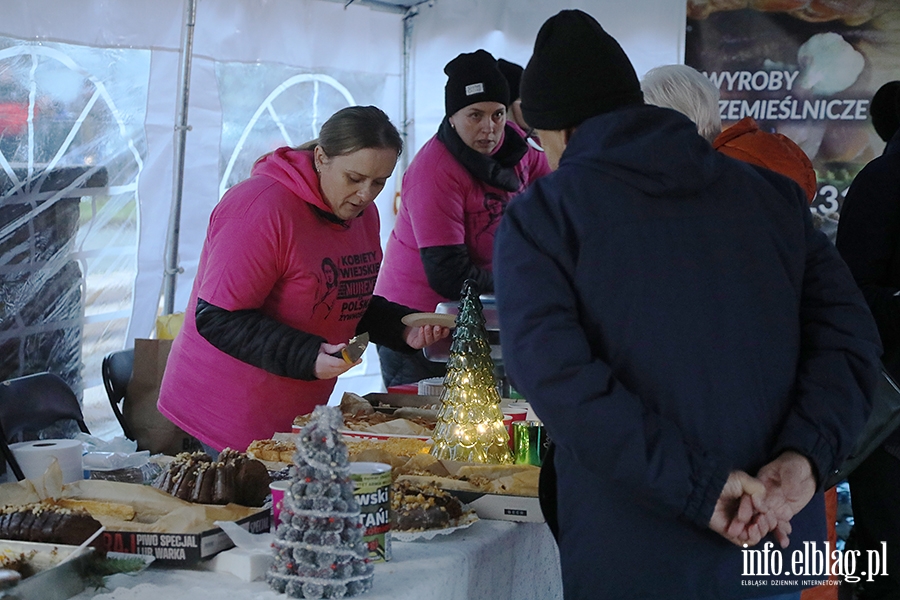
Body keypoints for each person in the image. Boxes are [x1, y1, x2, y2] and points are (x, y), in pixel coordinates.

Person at [494, 10, 881, 600]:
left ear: (562, 133)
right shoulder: (772, 197)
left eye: (544, 145)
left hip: (634, 555)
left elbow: (561, 382)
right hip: (776, 545)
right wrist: (805, 456)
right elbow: (849, 338)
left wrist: (705, 489)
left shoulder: (546, 213)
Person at [642, 62, 839, 600]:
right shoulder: (771, 172)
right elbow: (840, 334)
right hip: (790, 471)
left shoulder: (701, 203)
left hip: (726, 490)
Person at [158, 105, 450, 453]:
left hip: (294, 416)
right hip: (223, 416)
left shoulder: (362, 214)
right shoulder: (261, 208)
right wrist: (307, 355)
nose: (366, 195)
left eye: (379, 182)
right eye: (354, 179)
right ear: (321, 158)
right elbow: (218, 317)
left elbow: (340, 298)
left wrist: (401, 329)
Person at [374, 49, 550, 388]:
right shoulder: (434, 173)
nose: (489, 128)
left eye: (498, 114)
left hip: (483, 315)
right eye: (475, 115)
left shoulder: (518, 148)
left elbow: (555, 190)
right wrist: (527, 280)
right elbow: (449, 275)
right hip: (418, 324)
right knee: (428, 431)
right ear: (452, 116)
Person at [834, 80, 900, 600]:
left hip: (889, 409)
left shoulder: (878, 181)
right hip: (890, 403)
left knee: (881, 547)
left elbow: (851, 294)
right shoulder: (883, 181)